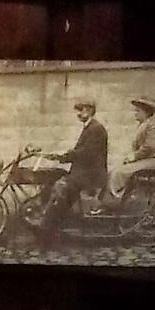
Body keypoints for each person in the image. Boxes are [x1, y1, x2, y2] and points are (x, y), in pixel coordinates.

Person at [40, 96, 107, 234]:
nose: (78, 114)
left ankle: (48, 226)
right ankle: (55, 219)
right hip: (85, 171)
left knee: (60, 187)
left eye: (81, 110)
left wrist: (66, 155)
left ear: (89, 111)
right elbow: (81, 152)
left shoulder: (96, 128)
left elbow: (87, 153)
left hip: (91, 173)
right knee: (52, 181)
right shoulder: (90, 127)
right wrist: (61, 156)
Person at [120, 95, 155, 192]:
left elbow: (150, 146)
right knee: (119, 169)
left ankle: (115, 200)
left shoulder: (152, 126)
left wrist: (134, 156)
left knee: (120, 172)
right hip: (145, 160)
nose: (135, 113)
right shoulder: (142, 125)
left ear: (146, 112)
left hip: (153, 161)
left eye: (138, 111)